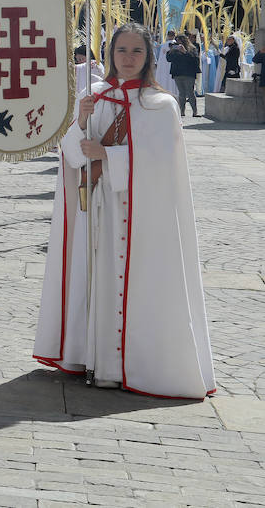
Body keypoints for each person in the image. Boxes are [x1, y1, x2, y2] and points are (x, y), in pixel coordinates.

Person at [34, 23, 215, 398]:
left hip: (138, 212)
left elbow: (160, 163)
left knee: (127, 282)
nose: (128, 58)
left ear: (149, 57)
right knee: (95, 279)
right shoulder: (94, 96)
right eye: (121, 51)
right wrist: (81, 120)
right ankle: (92, 358)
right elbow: (71, 153)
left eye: (136, 51)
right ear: (110, 54)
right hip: (97, 208)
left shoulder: (160, 105)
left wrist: (109, 155)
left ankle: (127, 364)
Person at [166, 33, 200, 118]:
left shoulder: (192, 49)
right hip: (178, 73)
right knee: (181, 93)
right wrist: (170, 51)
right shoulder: (175, 49)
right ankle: (182, 112)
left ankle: (195, 112)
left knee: (190, 92)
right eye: (176, 41)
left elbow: (195, 60)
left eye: (179, 41)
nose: (178, 43)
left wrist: (184, 52)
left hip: (189, 74)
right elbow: (169, 59)